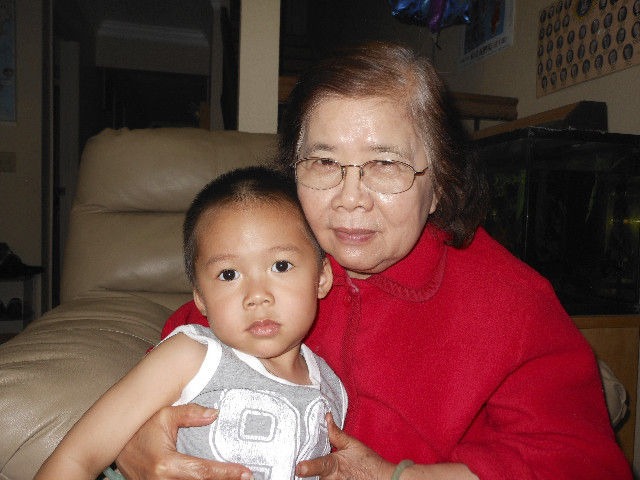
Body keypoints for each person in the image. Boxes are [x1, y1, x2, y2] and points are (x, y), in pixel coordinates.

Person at [115, 42, 632, 480]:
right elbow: (179, 350)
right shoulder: (278, 263)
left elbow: (585, 463)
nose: (350, 199)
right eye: (324, 162)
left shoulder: (511, 302)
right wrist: (134, 442)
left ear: (440, 183)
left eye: (385, 163)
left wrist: (402, 477)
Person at [35, 167, 347, 480]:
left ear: (321, 277)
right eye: (229, 274)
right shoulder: (190, 356)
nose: (257, 296)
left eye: (281, 266)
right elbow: (77, 457)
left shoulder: (332, 390)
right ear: (200, 298)